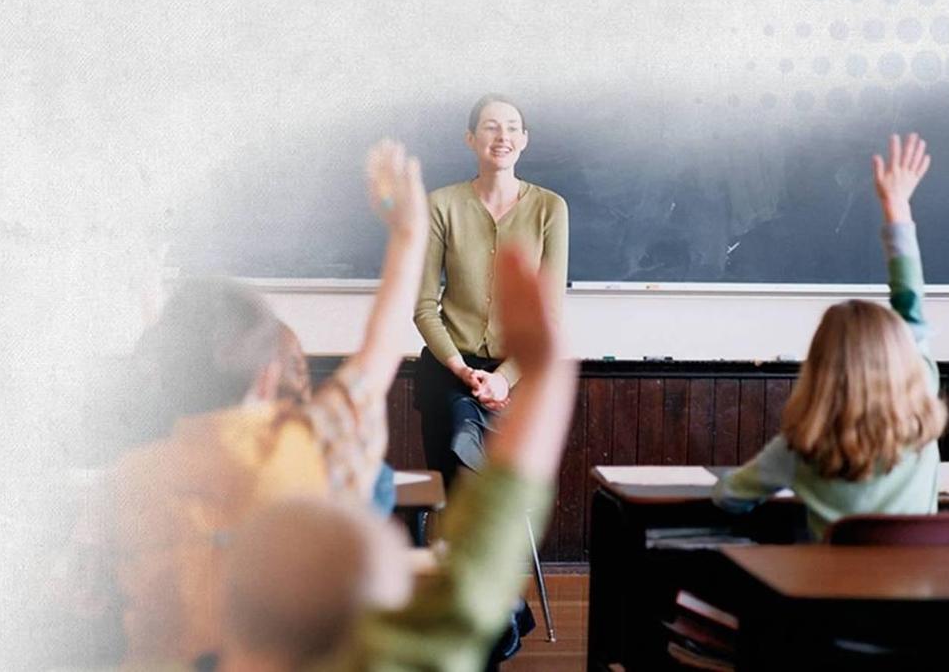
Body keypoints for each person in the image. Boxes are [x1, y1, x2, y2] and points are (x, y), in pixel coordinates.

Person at [64, 141, 429, 666]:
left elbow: (81, 596)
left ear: (163, 373)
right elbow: (379, 353)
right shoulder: (314, 450)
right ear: (267, 377)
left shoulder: (125, 482)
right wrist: (407, 233)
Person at [220, 245, 579, 672]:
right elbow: (473, 579)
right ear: (269, 381)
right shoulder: (330, 461)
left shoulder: (140, 486)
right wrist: (540, 375)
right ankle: (505, 620)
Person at [713, 133, 948, 540]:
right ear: (901, 358)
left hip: (830, 604)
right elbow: (910, 299)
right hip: (920, 599)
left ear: (820, 367)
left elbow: (728, 497)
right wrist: (897, 207)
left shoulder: (802, 448)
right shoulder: (922, 412)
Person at [413, 94, 569, 489]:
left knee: (501, 502)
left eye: (513, 128)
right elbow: (424, 306)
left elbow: (548, 316)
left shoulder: (550, 208)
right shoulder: (441, 206)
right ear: (470, 139)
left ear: (525, 139)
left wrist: (502, 379)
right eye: (491, 126)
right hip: (448, 371)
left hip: (517, 378)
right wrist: (461, 369)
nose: (503, 136)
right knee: (451, 492)